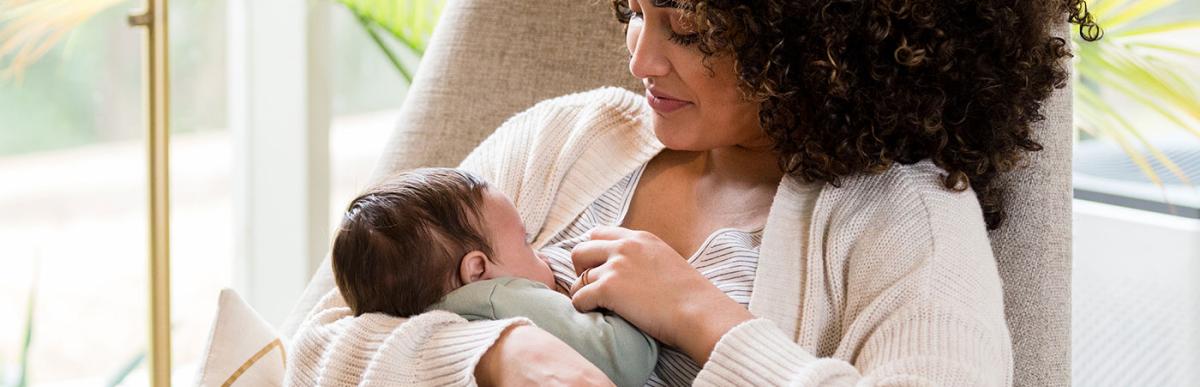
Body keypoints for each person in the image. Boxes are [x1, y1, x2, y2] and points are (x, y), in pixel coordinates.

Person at [292, 0, 1101, 385]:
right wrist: (497, 354)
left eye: (687, 29)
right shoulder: (566, 138)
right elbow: (301, 350)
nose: (641, 60)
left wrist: (705, 318)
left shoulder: (903, 217)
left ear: (817, 43)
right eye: (636, 11)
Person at [328, 168, 658, 387]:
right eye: (526, 242)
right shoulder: (501, 295)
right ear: (477, 270)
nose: (543, 254)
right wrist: (635, 291)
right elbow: (625, 361)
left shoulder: (415, 325)